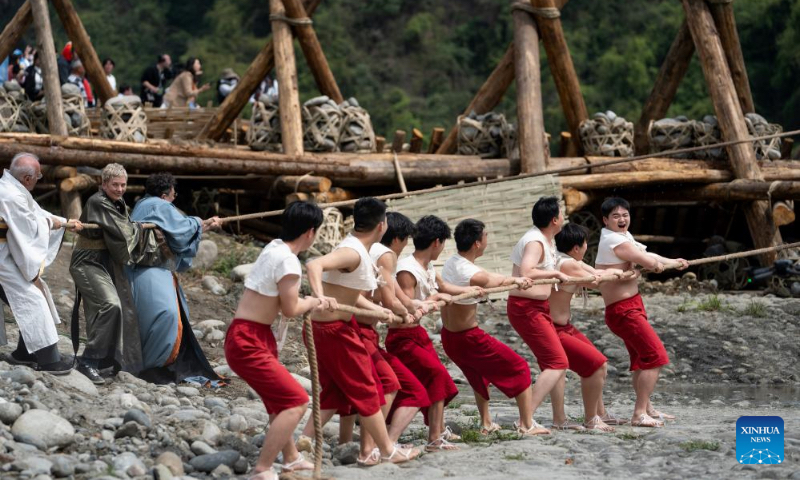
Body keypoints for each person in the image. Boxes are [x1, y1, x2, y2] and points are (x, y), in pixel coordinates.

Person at [299, 197, 420, 466]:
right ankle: (383, 450)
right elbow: (313, 265)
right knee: (368, 388)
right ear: (382, 225)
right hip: (331, 330)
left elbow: (349, 296)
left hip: (327, 328)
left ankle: (302, 442)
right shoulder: (353, 252)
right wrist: (320, 296)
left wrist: (378, 312)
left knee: (334, 390)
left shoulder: (358, 250)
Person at [224, 201, 324, 480]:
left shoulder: (274, 247)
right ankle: (262, 468)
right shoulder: (289, 260)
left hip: (250, 335)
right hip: (248, 340)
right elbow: (291, 309)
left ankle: (291, 458)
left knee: (279, 401)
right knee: (296, 401)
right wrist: (314, 301)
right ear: (310, 232)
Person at [440, 219, 545, 436]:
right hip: (468, 338)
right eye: (486, 235)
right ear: (478, 243)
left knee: (480, 375)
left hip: (450, 338)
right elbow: (489, 279)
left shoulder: (452, 262)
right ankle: (527, 424)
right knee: (520, 367)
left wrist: (514, 279)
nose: (488, 239)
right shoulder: (471, 273)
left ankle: (486, 422)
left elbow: (491, 277)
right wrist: (517, 281)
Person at [338, 212, 429, 453]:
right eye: (406, 239)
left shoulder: (363, 250)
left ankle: (346, 444)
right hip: (359, 331)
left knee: (344, 390)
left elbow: (392, 292)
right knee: (387, 385)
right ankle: (374, 448)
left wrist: (412, 307)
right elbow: (390, 299)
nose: (407, 244)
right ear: (397, 238)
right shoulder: (385, 255)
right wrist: (407, 312)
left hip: (352, 328)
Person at [389, 215, 481, 452]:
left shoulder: (427, 265)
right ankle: (432, 438)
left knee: (442, 383)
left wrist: (470, 290)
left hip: (417, 334)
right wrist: (435, 299)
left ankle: (437, 432)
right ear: (437, 242)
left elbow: (443, 287)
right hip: (403, 337)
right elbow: (408, 308)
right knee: (435, 378)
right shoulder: (407, 271)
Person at [595, 197, 688, 427]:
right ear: (605, 220)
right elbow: (644, 260)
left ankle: (647, 408)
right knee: (655, 356)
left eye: (625, 215)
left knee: (641, 360)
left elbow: (649, 256)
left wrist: (673, 262)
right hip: (622, 311)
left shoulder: (625, 237)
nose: (622, 219)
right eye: (615, 216)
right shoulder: (613, 240)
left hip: (633, 305)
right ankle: (638, 414)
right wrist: (653, 265)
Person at [126, 173, 222, 383]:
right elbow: (181, 232)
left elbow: (173, 228)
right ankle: (157, 363)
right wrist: (199, 222)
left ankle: (142, 361)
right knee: (165, 315)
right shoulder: (160, 205)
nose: (174, 197)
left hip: (136, 271)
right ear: (165, 194)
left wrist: (202, 225)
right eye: (173, 194)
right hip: (152, 270)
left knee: (144, 316)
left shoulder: (142, 204)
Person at [70, 163, 156, 384]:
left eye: (123, 185)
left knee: (103, 311)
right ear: (104, 184)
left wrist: (136, 225)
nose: (120, 189)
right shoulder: (97, 202)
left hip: (105, 262)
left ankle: (103, 361)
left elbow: (123, 226)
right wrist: (143, 227)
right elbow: (124, 230)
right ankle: (88, 361)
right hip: (87, 262)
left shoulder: (119, 203)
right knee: (110, 305)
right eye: (115, 185)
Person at [0, 153, 82, 374]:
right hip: (1, 259)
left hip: (5, 254)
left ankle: (24, 354)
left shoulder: (14, 188)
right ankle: (48, 360)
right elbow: (28, 226)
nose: (39, 178)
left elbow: (35, 212)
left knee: (37, 294)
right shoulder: (10, 195)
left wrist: (65, 222)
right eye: (37, 175)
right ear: (27, 178)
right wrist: (52, 223)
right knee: (32, 298)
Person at [505, 196, 574, 436]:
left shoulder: (546, 239)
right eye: (562, 213)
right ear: (555, 219)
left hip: (536, 307)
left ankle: (559, 418)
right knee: (558, 362)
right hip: (526, 307)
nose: (564, 217)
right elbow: (527, 271)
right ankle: (525, 420)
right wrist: (555, 273)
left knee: (555, 364)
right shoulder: (535, 241)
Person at [549, 223, 627, 431]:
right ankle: (591, 418)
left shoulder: (569, 260)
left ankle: (599, 413)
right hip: (553, 328)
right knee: (597, 365)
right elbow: (597, 282)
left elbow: (596, 273)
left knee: (594, 362)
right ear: (576, 248)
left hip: (564, 326)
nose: (586, 247)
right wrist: (623, 271)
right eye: (584, 244)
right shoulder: (568, 265)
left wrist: (619, 272)